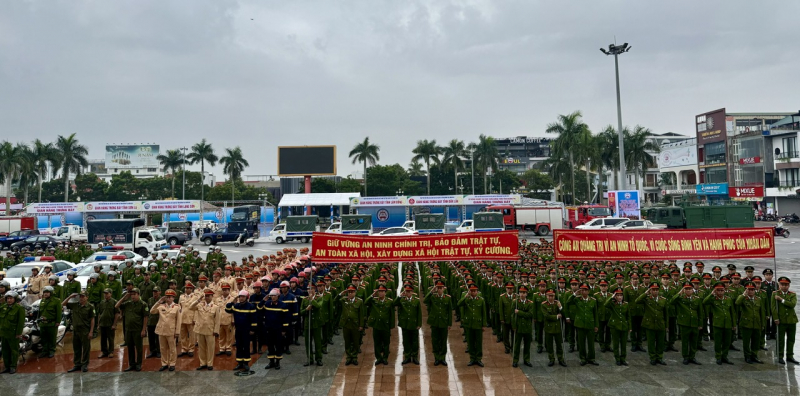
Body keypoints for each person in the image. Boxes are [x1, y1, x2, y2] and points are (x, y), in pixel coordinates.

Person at [670, 283, 703, 365]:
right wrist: (679, 293)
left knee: (694, 341)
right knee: (685, 341)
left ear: (692, 290)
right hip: (684, 323)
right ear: (684, 290)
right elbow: (672, 301)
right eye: (686, 289)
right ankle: (685, 357)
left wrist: (700, 324)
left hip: (694, 323)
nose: (688, 290)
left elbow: (700, 312)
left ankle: (692, 356)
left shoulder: (697, 299)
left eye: (690, 289)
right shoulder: (680, 298)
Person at [116, 288, 149, 371]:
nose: (133, 296)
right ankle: (131, 364)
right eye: (131, 295)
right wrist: (124, 298)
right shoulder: (128, 304)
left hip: (138, 329)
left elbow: (145, 317)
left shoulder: (143, 304)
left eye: (134, 294)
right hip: (128, 329)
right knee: (130, 347)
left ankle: (139, 364)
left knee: (139, 348)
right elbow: (116, 306)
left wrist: (144, 329)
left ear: (138, 295)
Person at [567, 283, 599, 366]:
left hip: (590, 324)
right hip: (580, 324)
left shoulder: (593, 300)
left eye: (585, 290)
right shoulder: (577, 299)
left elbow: (595, 313)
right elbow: (568, 302)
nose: (583, 291)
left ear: (588, 291)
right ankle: (583, 358)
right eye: (582, 290)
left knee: (591, 343)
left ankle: (591, 358)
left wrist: (596, 325)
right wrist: (574, 294)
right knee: (581, 343)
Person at [704, 282, 736, 365]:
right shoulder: (713, 299)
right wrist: (712, 294)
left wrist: (734, 324)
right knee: (718, 342)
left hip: (728, 324)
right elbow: (704, 302)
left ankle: (724, 356)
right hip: (718, 324)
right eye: (718, 290)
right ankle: (718, 356)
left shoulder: (728, 299)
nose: (720, 292)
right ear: (715, 291)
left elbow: (732, 312)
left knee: (727, 342)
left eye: (722, 290)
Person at [226, 290, 258, 372]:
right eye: (240, 297)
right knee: (239, 346)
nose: (241, 298)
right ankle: (240, 362)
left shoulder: (251, 306)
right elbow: (227, 309)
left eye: (243, 297)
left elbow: (254, 319)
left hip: (247, 330)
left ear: (247, 298)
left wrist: (252, 329)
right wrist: (232, 302)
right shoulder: (236, 306)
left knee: (246, 346)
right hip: (238, 330)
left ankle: (246, 363)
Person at [63, 291, 95, 372]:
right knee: (76, 348)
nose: (81, 298)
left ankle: (84, 364)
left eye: (83, 296)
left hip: (85, 330)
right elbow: (62, 304)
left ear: (87, 297)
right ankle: (77, 364)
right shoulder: (75, 305)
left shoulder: (90, 307)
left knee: (86, 348)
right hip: (76, 330)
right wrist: (70, 296)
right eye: (80, 296)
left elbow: (92, 319)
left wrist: (91, 331)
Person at [151, 289, 182, 371]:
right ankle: (164, 363)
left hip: (171, 331)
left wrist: (177, 332)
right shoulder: (161, 306)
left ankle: (172, 363)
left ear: (173, 298)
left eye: (170, 297)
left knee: (172, 348)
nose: (168, 298)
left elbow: (179, 320)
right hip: (161, 330)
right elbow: (152, 311)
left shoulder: (177, 307)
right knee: (163, 348)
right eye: (167, 297)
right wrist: (159, 302)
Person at [458, 284, 488, 367]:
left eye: (474, 291)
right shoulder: (467, 300)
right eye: (471, 291)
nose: (473, 292)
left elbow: (483, 313)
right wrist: (466, 296)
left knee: (478, 342)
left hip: (478, 324)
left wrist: (483, 325)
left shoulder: (481, 300)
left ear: (477, 292)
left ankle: (478, 359)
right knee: (470, 342)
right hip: (469, 324)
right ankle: (472, 358)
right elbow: (459, 304)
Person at [423, 280, 452, 366]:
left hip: (443, 322)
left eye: (441, 288)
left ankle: (442, 358)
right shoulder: (433, 297)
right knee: (435, 340)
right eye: (438, 288)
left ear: (444, 288)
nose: (439, 290)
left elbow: (449, 311)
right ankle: (436, 357)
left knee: (443, 341)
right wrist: (432, 291)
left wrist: (449, 324)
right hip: (435, 322)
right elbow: (425, 301)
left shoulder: (447, 298)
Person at [191, 289, 221, 370]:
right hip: (200, 329)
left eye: (209, 296)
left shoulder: (215, 307)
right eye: (206, 296)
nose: (207, 297)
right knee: (201, 348)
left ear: (212, 296)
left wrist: (216, 331)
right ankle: (203, 363)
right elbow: (191, 307)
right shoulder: (200, 305)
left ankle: (210, 363)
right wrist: (198, 300)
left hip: (210, 330)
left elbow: (217, 320)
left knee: (210, 348)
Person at [736, 282, 766, 364]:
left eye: (752, 289)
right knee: (746, 342)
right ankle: (747, 356)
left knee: (756, 341)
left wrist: (763, 324)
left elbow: (762, 312)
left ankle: (754, 355)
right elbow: (737, 303)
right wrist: (743, 295)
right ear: (746, 290)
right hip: (746, 324)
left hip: (756, 324)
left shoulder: (758, 299)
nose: (751, 291)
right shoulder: (743, 299)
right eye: (749, 289)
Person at [366, 285, 395, 366]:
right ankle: (378, 358)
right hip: (376, 325)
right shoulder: (374, 300)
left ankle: (385, 357)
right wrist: (372, 295)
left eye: (382, 291)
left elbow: (392, 314)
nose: (381, 293)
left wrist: (391, 325)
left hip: (385, 325)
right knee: (377, 342)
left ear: (385, 292)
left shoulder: (389, 301)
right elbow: (366, 302)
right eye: (379, 291)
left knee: (386, 343)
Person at [261, 288, 289, 370]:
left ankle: (277, 362)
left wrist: (284, 330)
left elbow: (286, 319)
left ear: (278, 296)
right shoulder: (267, 304)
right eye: (271, 296)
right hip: (269, 329)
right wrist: (263, 300)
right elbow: (259, 309)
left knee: (278, 346)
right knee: (270, 346)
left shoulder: (283, 305)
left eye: (274, 295)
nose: (273, 297)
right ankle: (271, 362)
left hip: (278, 329)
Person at [394, 285, 422, 365]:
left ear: (412, 292)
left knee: (414, 341)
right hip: (405, 324)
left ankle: (415, 356)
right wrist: (399, 296)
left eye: (409, 291)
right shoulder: (402, 300)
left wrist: (419, 324)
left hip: (413, 324)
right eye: (406, 291)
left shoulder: (416, 300)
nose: (408, 293)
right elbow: (394, 304)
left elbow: (419, 313)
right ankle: (407, 356)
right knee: (406, 341)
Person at [773, 276, 798, 365]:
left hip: (791, 320)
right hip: (781, 320)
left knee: (791, 339)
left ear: (789, 285)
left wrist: (782, 300)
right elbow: (773, 308)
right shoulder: (775, 294)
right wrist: (775, 318)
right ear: (779, 285)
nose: (784, 286)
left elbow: (792, 304)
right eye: (782, 284)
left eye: (786, 285)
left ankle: (790, 356)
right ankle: (780, 356)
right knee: (780, 339)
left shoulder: (792, 294)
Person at [0, 291, 25, 374]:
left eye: (11, 298)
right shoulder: (3, 307)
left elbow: (20, 322)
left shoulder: (19, 308)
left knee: (14, 350)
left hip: (13, 333)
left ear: (15, 299)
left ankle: (13, 366)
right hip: (4, 333)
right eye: (7, 298)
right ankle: (7, 366)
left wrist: (18, 333)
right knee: (5, 350)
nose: (9, 300)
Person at [340, 284, 365, 365]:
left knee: (355, 341)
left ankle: (354, 357)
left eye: (352, 292)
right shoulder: (344, 300)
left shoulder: (359, 301)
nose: (350, 294)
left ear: (355, 292)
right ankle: (348, 357)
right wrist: (341, 294)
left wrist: (361, 325)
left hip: (355, 324)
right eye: (349, 292)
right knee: (347, 341)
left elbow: (361, 314)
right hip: (346, 324)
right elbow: (335, 301)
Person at [605, 288, 630, 366]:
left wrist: (630, 327)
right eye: (618, 295)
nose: (619, 297)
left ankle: (623, 358)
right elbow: (605, 304)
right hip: (615, 326)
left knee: (623, 344)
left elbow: (628, 316)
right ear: (615, 296)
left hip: (624, 326)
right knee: (616, 344)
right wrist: (611, 297)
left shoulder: (626, 304)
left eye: (621, 295)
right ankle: (617, 358)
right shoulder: (612, 304)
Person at [301, 283, 324, 367]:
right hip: (308, 324)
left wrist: (312, 300)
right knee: (308, 343)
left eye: (311, 289)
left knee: (318, 342)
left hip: (316, 324)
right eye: (308, 289)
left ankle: (319, 358)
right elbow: (301, 312)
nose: (309, 291)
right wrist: (306, 309)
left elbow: (318, 306)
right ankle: (309, 359)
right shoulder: (304, 300)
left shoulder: (319, 298)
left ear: (315, 290)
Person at [512, 286, 535, 367]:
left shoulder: (530, 303)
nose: (522, 294)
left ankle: (526, 359)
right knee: (517, 345)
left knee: (527, 345)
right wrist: (514, 326)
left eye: (524, 293)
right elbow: (512, 315)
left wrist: (519, 312)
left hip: (527, 327)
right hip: (518, 326)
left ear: (526, 294)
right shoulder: (515, 302)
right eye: (521, 292)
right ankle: (515, 360)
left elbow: (530, 314)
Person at [38, 286, 62, 359]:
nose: (45, 294)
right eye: (44, 292)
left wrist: (58, 321)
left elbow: (59, 312)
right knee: (43, 338)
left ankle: (51, 351)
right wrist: (38, 320)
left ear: (51, 293)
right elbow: (40, 311)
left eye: (47, 292)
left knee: (52, 338)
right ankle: (45, 351)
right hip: (43, 323)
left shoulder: (56, 301)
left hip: (51, 323)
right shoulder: (42, 300)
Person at [97, 288, 119, 358]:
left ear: (110, 294)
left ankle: (111, 351)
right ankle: (104, 352)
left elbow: (116, 314)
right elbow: (100, 314)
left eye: (107, 293)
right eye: (104, 294)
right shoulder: (102, 302)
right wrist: (98, 324)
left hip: (110, 323)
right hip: (103, 323)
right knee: (103, 339)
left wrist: (114, 324)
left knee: (110, 338)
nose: (105, 295)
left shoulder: (114, 302)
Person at [216, 284, 235, 356]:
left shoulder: (232, 299)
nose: (224, 291)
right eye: (223, 290)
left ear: (229, 290)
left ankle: (228, 348)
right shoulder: (218, 299)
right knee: (221, 335)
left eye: (226, 290)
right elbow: (216, 310)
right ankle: (222, 348)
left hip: (228, 319)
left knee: (229, 335)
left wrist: (233, 320)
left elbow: (234, 310)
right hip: (220, 320)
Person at [145, 287, 161, 359]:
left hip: (158, 321)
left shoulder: (162, 300)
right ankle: (152, 351)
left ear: (160, 292)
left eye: (156, 292)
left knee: (158, 338)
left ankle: (159, 351)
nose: (155, 293)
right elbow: (148, 311)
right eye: (154, 292)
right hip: (151, 321)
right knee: (151, 338)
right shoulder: (150, 300)